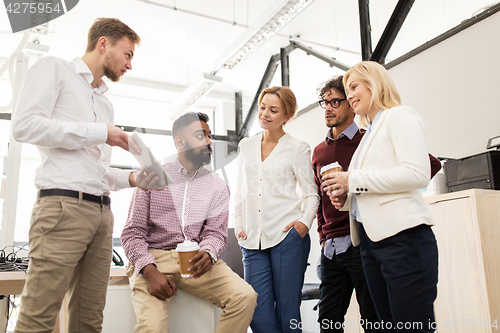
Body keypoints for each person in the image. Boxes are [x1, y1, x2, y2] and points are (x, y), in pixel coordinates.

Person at [11, 18, 156, 333]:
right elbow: (24, 126)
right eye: (128, 54)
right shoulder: (54, 69)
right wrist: (99, 133)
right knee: (38, 318)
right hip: (63, 209)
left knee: (89, 321)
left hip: (102, 216)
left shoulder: (105, 105)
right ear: (103, 43)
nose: (129, 65)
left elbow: (98, 171)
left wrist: (133, 179)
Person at [312, 76, 441, 333]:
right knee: (328, 321)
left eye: (336, 102)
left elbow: (428, 165)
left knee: (374, 320)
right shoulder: (318, 151)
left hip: (364, 239)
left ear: (350, 106)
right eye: (324, 102)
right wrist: (323, 234)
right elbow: (319, 196)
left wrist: (361, 185)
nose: (328, 107)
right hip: (332, 247)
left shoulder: (370, 134)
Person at [121, 112, 257, 333]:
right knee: (152, 328)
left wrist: (209, 251)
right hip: (154, 259)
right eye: (200, 135)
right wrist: (148, 270)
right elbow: (132, 233)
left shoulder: (218, 186)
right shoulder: (153, 176)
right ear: (180, 142)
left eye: (209, 136)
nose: (209, 141)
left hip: (195, 261)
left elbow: (216, 233)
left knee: (245, 297)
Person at [234, 86, 320, 333]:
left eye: (273, 110)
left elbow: (310, 193)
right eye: (262, 107)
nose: (265, 114)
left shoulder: (297, 147)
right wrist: (239, 223)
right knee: (257, 314)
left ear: (287, 116)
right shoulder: (246, 146)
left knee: (287, 312)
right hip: (252, 240)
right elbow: (241, 190)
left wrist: (303, 224)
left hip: (287, 237)